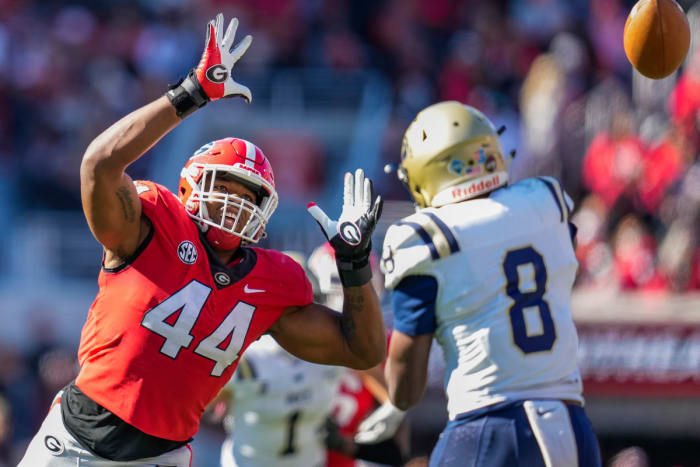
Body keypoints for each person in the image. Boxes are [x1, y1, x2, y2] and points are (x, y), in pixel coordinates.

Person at [19, 14, 385, 467]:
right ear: (191, 185)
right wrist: (190, 92)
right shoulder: (151, 224)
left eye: (250, 196)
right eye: (226, 186)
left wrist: (354, 262)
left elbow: (363, 349)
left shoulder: (275, 280)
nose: (236, 203)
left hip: (164, 457)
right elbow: (98, 164)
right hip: (76, 440)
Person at [381, 101, 602, 466]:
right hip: (574, 429)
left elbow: (405, 388)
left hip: (489, 428)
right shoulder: (545, 201)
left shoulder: (425, 238)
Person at [214, 245, 405, 467]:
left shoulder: (330, 349)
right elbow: (198, 406)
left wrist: (393, 409)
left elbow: (384, 387)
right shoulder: (249, 358)